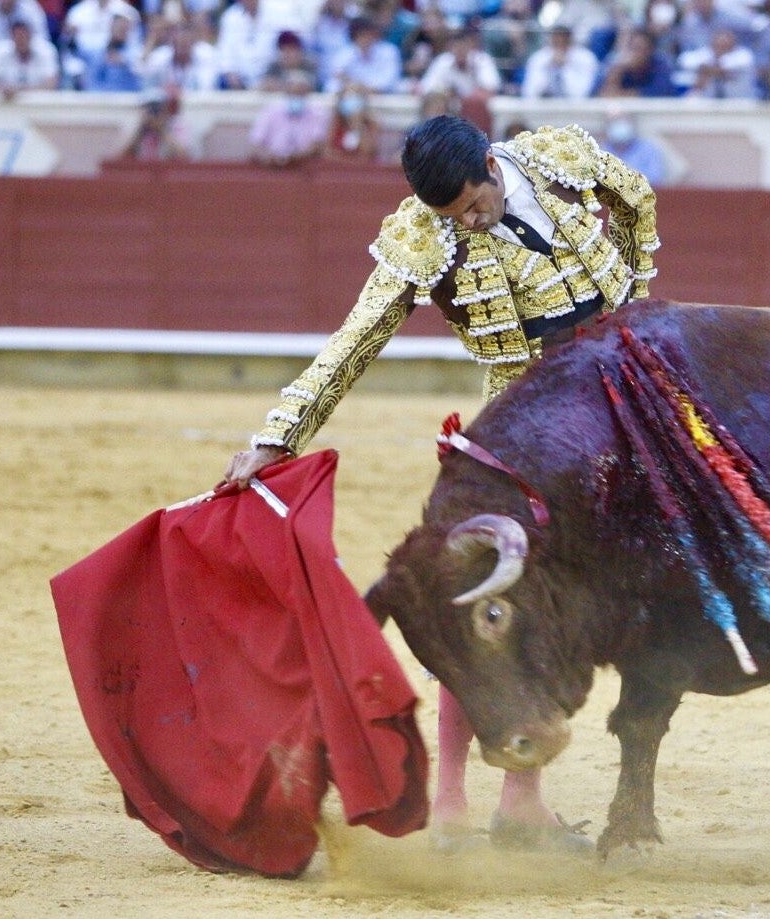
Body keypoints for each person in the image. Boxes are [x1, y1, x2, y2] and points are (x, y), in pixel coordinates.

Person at [221, 115, 660, 852]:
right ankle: (455, 805)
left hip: (620, 400)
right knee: (483, 605)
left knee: (584, 598)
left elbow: (636, 199)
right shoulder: (424, 238)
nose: (465, 221)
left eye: (472, 205)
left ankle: (518, 802)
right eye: (450, 215)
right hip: (525, 422)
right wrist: (277, 435)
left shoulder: (556, 157)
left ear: (491, 164)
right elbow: (356, 338)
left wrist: (639, 298)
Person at [249, 68, 327, 167]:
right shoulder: (271, 111)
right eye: (293, 93)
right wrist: (268, 157)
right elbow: (256, 142)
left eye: (300, 94)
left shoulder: (317, 113)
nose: (296, 97)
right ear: (286, 92)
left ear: (307, 93)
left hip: (304, 166)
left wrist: (291, 158)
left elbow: (317, 145)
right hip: (272, 167)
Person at [675, 24, 758, 98]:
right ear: (712, 44)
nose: (721, 49)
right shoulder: (706, 53)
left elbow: (729, 67)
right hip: (708, 103)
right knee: (692, 97)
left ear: (733, 45)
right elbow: (684, 60)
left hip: (741, 102)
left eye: (725, 46)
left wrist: (708, 70)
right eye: (718, 45)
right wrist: (707, 68)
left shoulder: (743, 55)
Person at [519, 24, 599, 99]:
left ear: (571, 40)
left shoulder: (586, 58)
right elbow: (529, 93)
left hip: (577, 109)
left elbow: (581, 94)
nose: (560, 44)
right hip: (543, 108)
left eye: (564, 41)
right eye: (556, 41)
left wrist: (565, 67)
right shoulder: (539, 58)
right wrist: (550, 68)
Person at [599, 110, 668, 185]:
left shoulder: (648, 149)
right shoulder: (602, 151)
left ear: (632, 123)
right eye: (614, 121)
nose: (619, 125)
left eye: (623, 120)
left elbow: (656, 178)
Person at [119, 90, 192, 160]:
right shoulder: (138, 127)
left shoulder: (177, 125)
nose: (153, 113)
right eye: (148, 108)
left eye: (156, 108)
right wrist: (139, 133)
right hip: (144, 170)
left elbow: (184, 156)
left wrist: (162, 130)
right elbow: (119, 159)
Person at [0, 17, 58, 96]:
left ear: (30, 35)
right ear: (11, 37)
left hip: (39, 103)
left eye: (23, 36)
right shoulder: (0, 51)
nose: (21, 40)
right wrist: (4, 90)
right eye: (17, 36)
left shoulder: (46, 51)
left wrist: (19, 91)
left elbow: (51, 85)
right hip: (6, 103)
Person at [325, 83, 380, 163]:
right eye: (349, 96)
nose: (352, 99)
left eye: (356, 95)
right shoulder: (336, 123)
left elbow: (368, 153)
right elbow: (327, 151)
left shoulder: (372, 124)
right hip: (338, 168)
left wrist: (357, 125)